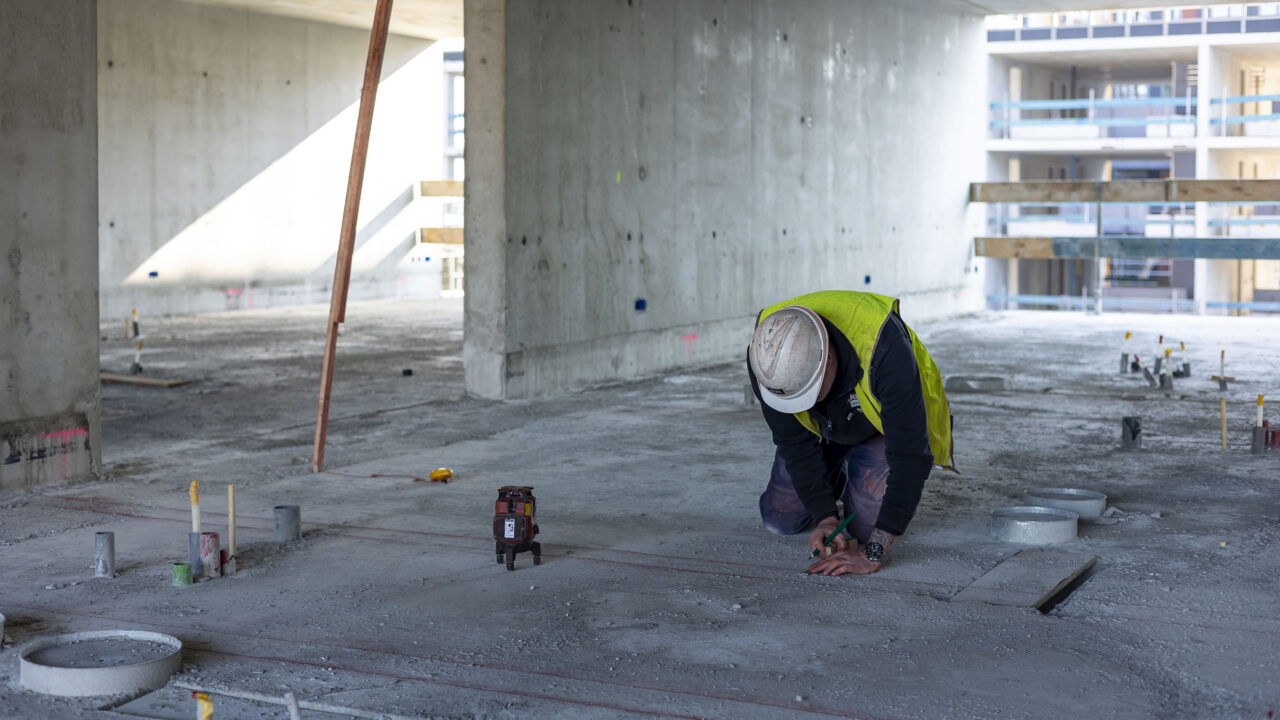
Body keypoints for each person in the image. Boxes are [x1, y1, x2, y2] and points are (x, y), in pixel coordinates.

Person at [746, 291, 953, 576]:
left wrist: (875, 552)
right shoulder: (765, 357)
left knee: (867, 531)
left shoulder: (885, 348)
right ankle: (839, 476)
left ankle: (861, 461)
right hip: (827, 426)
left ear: (829, 359)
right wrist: (825, 517)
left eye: (807, 395)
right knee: (779, 520)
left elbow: (910, 456)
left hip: (881, 428)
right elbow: (794, 444)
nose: (801, 406)